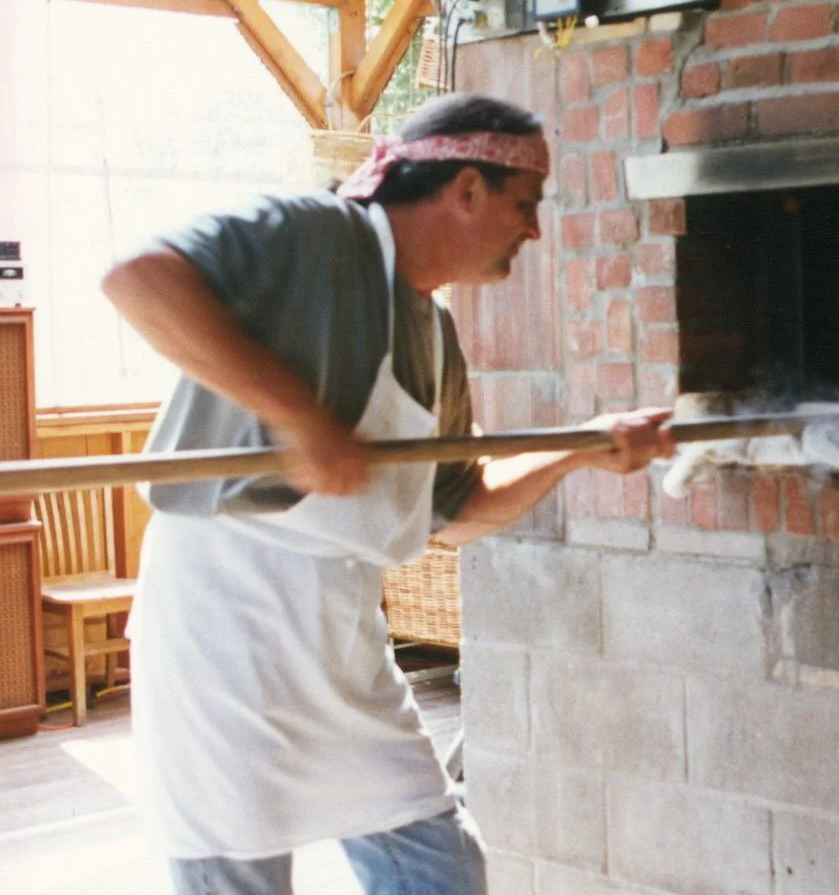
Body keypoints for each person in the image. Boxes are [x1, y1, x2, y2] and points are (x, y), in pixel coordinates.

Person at [101, 93, 673, 895]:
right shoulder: (311, 233)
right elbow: (136, 278)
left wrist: (581, 448)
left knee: (439, 871)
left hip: (341, 631)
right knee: (237, 879)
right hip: (221, 626)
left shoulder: (433, 334)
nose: (534, 230)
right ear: (468, 188)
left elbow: (461, 508)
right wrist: (297, 415)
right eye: (527, 203)